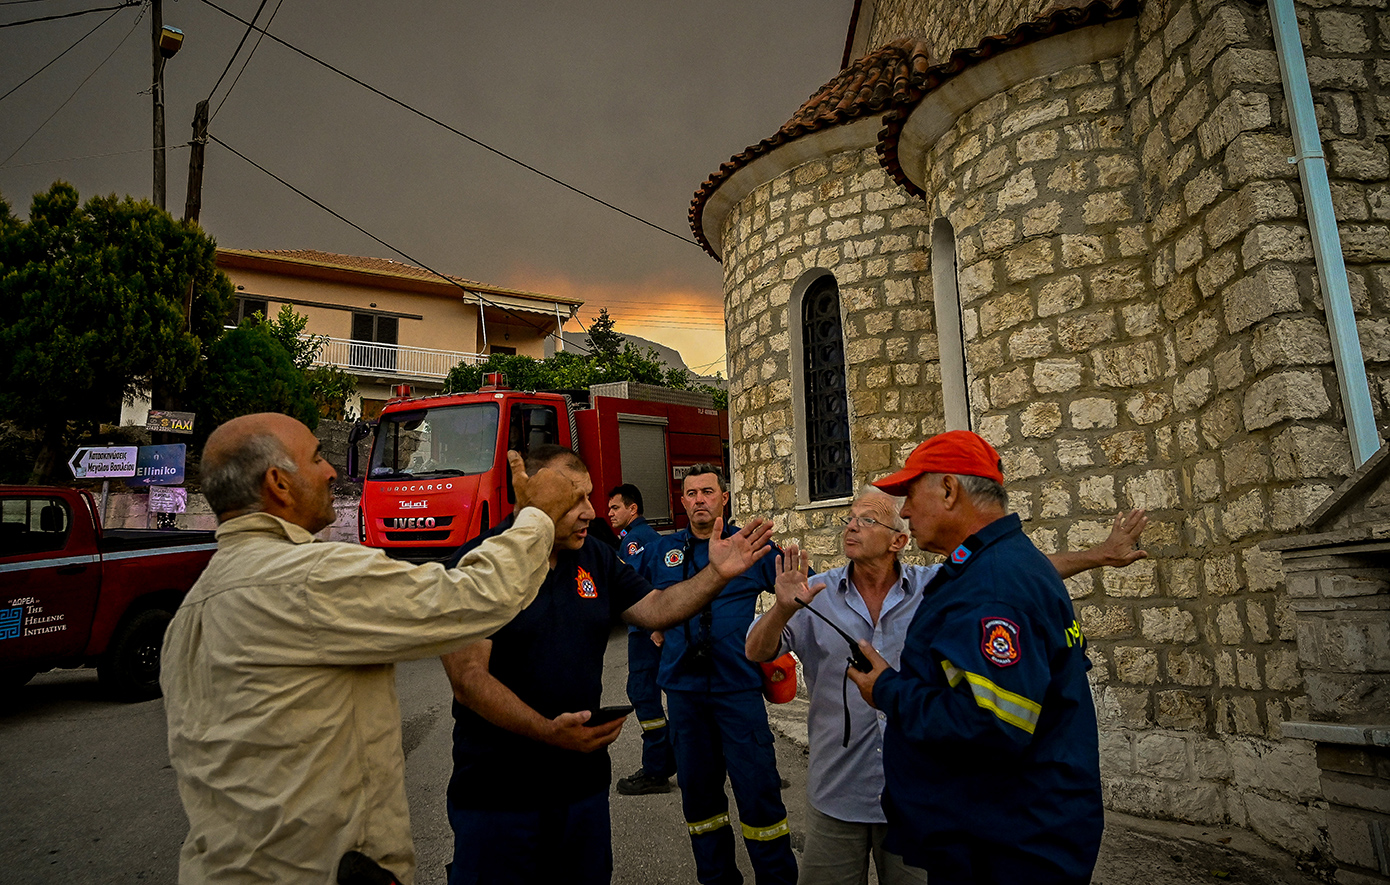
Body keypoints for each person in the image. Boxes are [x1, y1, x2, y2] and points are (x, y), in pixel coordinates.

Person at [161, 412, 584, 885]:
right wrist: (534, 517)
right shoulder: (308, 577)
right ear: (278, 483)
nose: (333, 472)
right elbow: (474, 597)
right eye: (318, 457)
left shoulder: (194, 607)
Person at [747, 485, 1147, 885]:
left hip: (915, 800)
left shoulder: (936, 587)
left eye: (867, 520)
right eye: (849, 518)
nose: (851, 527)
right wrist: (781, 610)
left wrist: (1101, 555)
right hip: (836, 794)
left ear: (898, 541)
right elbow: (756, 650)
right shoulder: (815, 595)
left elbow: (1021, 569)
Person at [441, 445, 776, 885]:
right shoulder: (478, 561)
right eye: (573, 499)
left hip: (582, 791)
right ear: (529, 496)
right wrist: (547, 732)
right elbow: (468, 679)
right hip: (499, 797)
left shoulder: (596, 557)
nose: (590, 511)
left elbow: (656, 608)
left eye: (590, 496)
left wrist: (716, 574)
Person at [845, 430, 1108, 884]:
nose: (904, 511)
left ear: (949, 490)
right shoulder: (1001, 563)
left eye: (910, 494)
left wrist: (886, 689)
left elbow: (990, 724)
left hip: (1010, 846)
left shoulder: (993, 585)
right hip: (1002, 832)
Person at [649, 463, 798, 885]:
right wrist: (656, 626)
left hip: (738, 691)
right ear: (682, 501)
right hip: (683, 693)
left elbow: (792, 590)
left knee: (759, 796)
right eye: (691, 493)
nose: (699, 499)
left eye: (708, 492)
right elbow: (641, 602)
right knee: (700, 801)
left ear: (724, 498)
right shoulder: (665, 551)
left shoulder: (750, 547)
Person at [608, 483, 678, 795]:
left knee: (642, 693)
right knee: (670, 694)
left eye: (615, 508)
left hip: (645, 631)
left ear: (632, 509)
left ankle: (656, 769)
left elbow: (629, 586)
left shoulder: (634, 541)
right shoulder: (650, 537)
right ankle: (672, 758)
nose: (609, 514)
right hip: (658, 628)